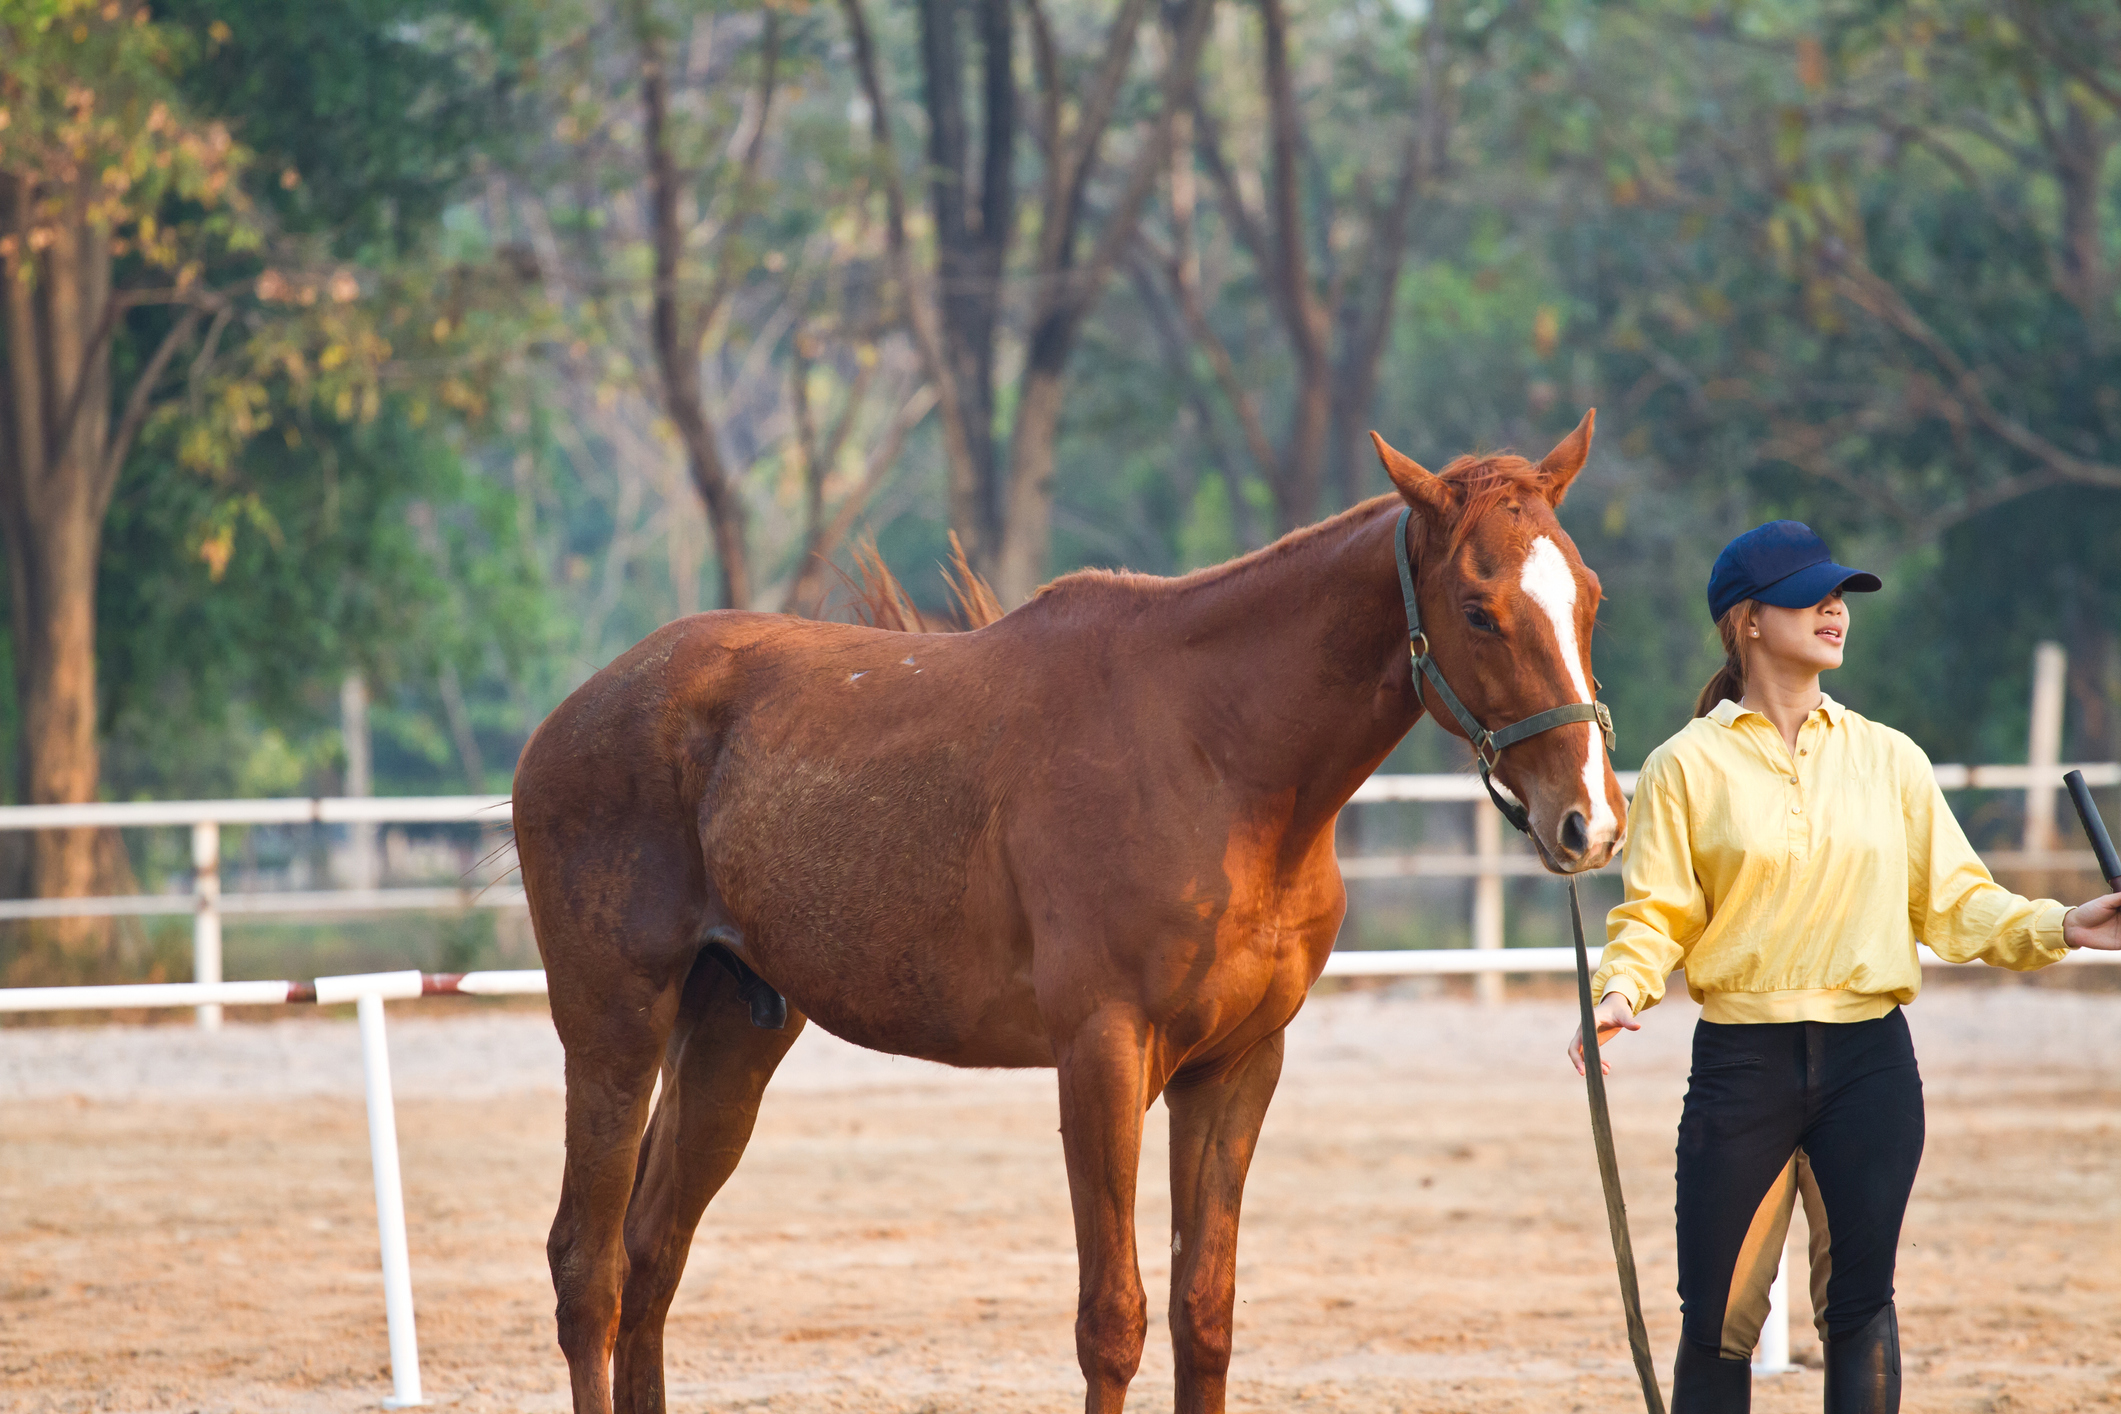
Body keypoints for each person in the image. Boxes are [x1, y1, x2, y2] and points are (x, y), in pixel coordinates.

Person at [1564, 520, 2121, 1414]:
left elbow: (1953, 901)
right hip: (1741, 1068)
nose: (1833, 609)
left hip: (1871, 1067)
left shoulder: (1888, 757)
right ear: (1745, 620)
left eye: (1840, 596)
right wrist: (1619, 990)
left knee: (1861, 1309)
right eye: (1808, 594)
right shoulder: (1682, 766)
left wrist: (2063, 925)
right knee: (1717, 1319)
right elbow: (1656, 912)